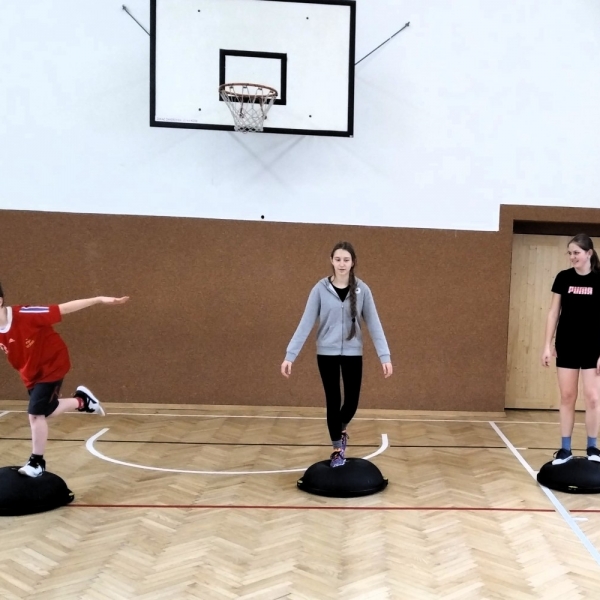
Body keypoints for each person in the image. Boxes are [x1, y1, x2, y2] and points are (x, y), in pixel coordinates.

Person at [281, 241, 393, 468]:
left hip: (353, 354)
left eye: (346, 260)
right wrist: (290, 355)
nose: (342, 264)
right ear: (331, 261)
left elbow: (375, 324)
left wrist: (385, 356)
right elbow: (305, 323)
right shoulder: (320, 289)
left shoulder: (362, 290)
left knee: (351, 402)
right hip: (326, 354)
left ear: (353, 263)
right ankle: (337, 449)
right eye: (338, 259)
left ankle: (340, 429)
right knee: (333, 401)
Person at [0, 282, 129, 477]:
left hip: (52, 364)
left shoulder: (26, 314)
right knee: (46, 411)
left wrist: (98, 299)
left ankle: (37, 462)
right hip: (29, 372)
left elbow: (64, 308)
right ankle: (82, 401)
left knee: (35, 414)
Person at [541, 233, 600, 465]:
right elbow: (553, 313)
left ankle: (593, 447)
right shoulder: (563, 277)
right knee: (567, 396)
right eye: (570, 253)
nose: (572, 257)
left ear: (589, 253)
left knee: (593, 398)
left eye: (576, 252)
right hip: (567, 345)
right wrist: (547, 345)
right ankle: (565, 449)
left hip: (594, 348)